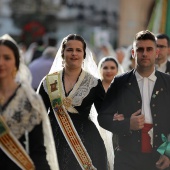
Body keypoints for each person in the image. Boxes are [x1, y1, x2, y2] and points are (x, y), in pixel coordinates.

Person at [98, 30, 170, 170]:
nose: (144, 53)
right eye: (140, 49)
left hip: (160, 157)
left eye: (149, 49)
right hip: (127, 156)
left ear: (156, 53)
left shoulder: (167, 82)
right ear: (133, 53)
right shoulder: (120, 82)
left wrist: (168, 153)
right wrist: (127, 124)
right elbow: (103, 117)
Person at [37, 34, 108, 170]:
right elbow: (37, 115)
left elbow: (105, 114)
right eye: (69, 50)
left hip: (86, 143)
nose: (74, 54)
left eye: (78, 50)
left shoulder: (93, 83)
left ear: (84, 54)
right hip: (52, 142)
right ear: (63, 53)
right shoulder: (48, 81)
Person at [0, 34, 59, 170]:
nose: (1, 63)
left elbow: (37, 149)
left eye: (7, 58)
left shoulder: (30, 100)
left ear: (16, 62)